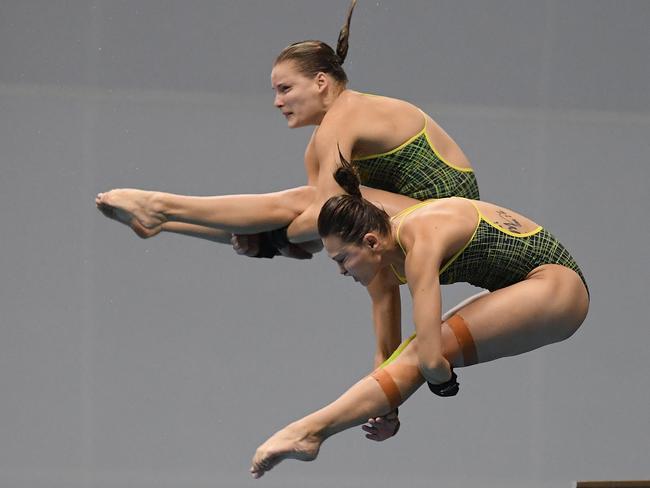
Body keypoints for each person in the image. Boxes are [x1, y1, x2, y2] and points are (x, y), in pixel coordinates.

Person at [248, 158, 589, 478]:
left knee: (426, 347)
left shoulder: (420, 238)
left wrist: (441, 379)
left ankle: (308, 431)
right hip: (532, 288)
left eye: (342, 259)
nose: (340, 271)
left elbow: (429, 358)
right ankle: (310, 432)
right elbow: (388, 357)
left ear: (370, 241)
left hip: (558, 288)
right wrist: (388, 409)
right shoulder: (383, 260)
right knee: (417, 349)